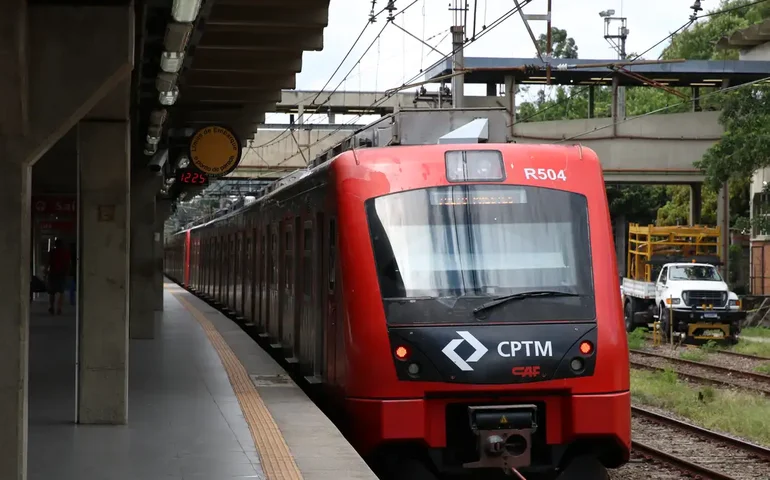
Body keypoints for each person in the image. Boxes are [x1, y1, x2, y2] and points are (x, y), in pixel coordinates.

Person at [47, 239, 70, 315]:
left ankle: (52, 307)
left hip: (53, 273)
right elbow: (67, 263)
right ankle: (59, 308)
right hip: (62, 274)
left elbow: (49, 262)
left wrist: (46, 271)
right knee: (61, 292)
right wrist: (67, 273)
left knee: (52, 292)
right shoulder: (65, 253)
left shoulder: (53, 252)